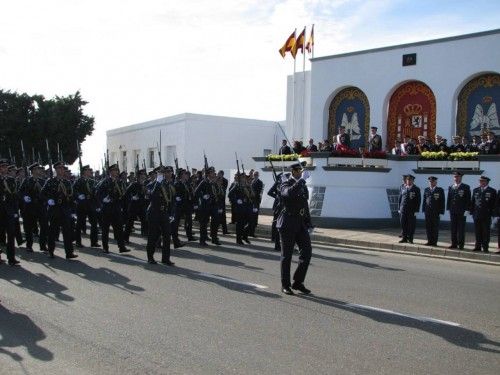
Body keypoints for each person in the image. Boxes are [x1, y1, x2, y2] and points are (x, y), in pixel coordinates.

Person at [277, 162, 313, 295]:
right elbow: (288, 194)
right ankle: (285, 285)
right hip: (287, 223)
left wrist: (309, 223)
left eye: (301, 170)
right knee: (286, 256)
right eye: (298, 170)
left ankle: (298, 282)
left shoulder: (302, 185)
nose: (300, 172)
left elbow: (305, 205)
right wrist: (302, 180)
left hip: (300, 223)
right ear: (292, 171)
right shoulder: (285, 182)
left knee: (307, 252)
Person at [40, 161, 78, 260]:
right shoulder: (50, 181)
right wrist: (48, 200)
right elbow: (42, 194)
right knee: (52, 232)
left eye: (62, 168)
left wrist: (73, 211)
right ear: (56, 170)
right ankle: (50, 251)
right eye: (59, 169)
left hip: (65, 210)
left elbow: (72, 197)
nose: (61, 170)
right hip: (54, 210)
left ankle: (69, 253)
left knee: (67, 232)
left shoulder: (67, 182)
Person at [95, 164, 130, 254]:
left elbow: (123, 194)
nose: (116, 172)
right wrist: (103, 199)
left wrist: (122, 206)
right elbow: (98, 193)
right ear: (110, 172)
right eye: (114, 170)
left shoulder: (119, 182)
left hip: (116, 208)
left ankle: (121, 247)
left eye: (117, 171)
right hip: (107, 208)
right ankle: (105, 247)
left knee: (119, 229)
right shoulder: (105, 182)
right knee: (105, 229)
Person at [145, 166, 175, 265]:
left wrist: (171, 214)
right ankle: (150, 257)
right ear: (161, 174)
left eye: (170, 172)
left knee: (167, 235)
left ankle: (165, 259)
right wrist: (157, 182)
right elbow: (152, 197)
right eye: (167, 172)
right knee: (153, 235)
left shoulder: (169, 185)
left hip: (164, 213)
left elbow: (172, 201)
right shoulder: (152, 184)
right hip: (154, 213)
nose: (169, 174)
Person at [18, 163, 48, 253]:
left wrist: (46, 200)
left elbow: (47, 193)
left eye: (39, 169)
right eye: (37, 169)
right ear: (33, 171)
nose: (39, 170)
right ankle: (29, 246)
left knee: (44, 226)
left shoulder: (42, 181)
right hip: (30, 207)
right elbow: (20, 192)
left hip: (40, 206)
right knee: (29, 228)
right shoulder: (27, 181)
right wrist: (24, 197)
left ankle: (43, 245)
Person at [73, 165, 100, 248]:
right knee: (80, 224)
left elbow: (95, 194)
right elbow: (73, 191)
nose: (90, 172)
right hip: (81, 205)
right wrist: (78, 196)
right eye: (88, 170)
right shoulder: (78, 181)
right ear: (84, 171)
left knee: (94, 223)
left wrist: (98, 205)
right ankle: (78, 241)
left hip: (91, 205)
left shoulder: (92, 182)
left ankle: (94, 241)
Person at [0, 159, 21, 265]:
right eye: (2, 166)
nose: (4, 168)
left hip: (9, 211)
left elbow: (14, 196)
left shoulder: (11, 180)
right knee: (0, 235)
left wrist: (16, 210)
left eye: (5, 167)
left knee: (11, 234)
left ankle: (11, 258)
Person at [470, 176, 497, 252]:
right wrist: (471, 212)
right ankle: (477, 246)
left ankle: (485, 247)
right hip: (477, 214)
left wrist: (493, 215)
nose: (481, 182)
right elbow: (473, 202)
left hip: (486, 215)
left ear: (487, 182)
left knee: (486, 232)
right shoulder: (476, 190)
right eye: (480, 181)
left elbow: (494, 204)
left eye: (483, 181)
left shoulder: (492, 191)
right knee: (477, 231)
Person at [194, 167, 220, 246]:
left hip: (214, 205)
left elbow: (217, 193)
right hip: (205, 205)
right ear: (208, 174)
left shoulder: (214, 183)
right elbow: (196, 192)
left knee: (215, 222)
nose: (214, 173)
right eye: (212, 172)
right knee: (204, 223)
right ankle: (202, 240)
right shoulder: (204, 182)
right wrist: (203, 196)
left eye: (214, 172)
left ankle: (214, 238)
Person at [446, 171, 471, 249]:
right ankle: (454, 243)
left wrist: (467, 210)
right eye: (455, 177)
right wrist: (448, 208)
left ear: (461, 178)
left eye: (457, 177)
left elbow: (468, 199)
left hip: (462, 211)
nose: (456, 178)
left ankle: (461, 244)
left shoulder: (465, 187)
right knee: (453, 228)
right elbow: (449, 198)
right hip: (453, 211)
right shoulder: (451, 186)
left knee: (461, 229)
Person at [421, 176, 445, 246]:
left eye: (432, 181)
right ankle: (429, 241)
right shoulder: (426, 190)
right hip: (428, 211)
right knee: (428, 227)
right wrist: (423, 209)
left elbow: (442, 201)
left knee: (435, 227)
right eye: (430, 182)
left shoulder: (440, 190)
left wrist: (441, 212)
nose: (431, 183)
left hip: (436, 212)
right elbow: (424, 200)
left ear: (435, 182)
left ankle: (434, 242)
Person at [398, 174, 421, 244]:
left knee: (411, 225)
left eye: (410, 180)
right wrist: (399, 208)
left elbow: (418, 200)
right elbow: (400, 198)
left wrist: (416, 210)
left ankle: (410, 239)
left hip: (411, 210)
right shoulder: (403, 187)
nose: (408, 181)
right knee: (403, 224)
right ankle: (404, 238)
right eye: (407, 180)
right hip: (403, 209)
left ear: (413, 181)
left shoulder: (416, 189)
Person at [248, 171, 263, 237]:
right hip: (250, 201)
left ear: (258, 175)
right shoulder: (251, 181)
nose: (255, 175)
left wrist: (252, 193)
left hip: (256, 201)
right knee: (250, 217)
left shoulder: (260, 182)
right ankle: (249, 231)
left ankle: (252, 232)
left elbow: (258, 192)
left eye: (256, 174)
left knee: (254, 216)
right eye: (254, 174)